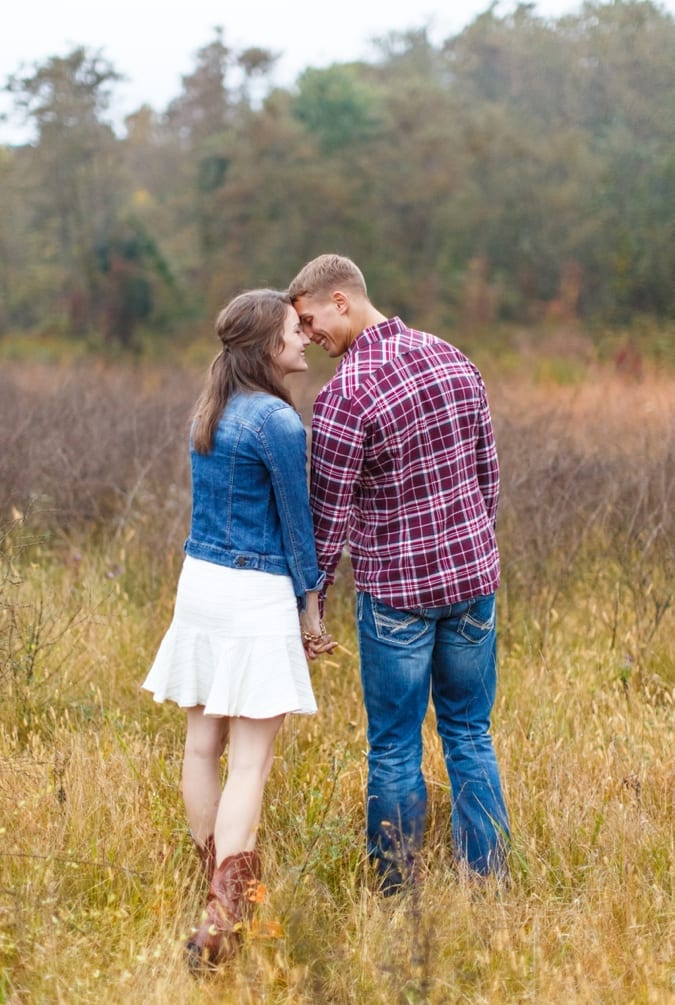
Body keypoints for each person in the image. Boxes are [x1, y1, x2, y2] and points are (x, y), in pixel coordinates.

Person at [288, 254, 510, 892]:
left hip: (398, 601)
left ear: (340, 299)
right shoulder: (454, 358)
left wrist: (313, 604)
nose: (308, 337)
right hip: (473, 585)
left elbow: (326, 519)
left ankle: (395, 895)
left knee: (393, 748)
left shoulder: (343, 396)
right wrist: (476, 554)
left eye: (309, 321)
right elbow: (486, 475)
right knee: (470, 733)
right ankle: (487, 884)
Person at [142, 289, 335, 969]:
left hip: (200, 584)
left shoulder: (208, 410)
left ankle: (213, 895)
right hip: (254, 591)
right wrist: (311, 609)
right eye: (293, 330)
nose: (303, 338)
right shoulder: (277, 423)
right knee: (249, 758)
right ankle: (223, 915)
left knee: (201, 745)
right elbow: (296, 527)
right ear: (266, 347)